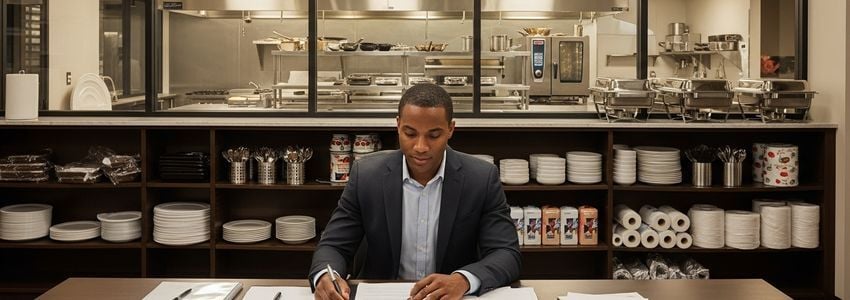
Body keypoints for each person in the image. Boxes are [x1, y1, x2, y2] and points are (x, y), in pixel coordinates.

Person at [309, 83, 521, 300]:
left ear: (451, 129)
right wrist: (327, 276)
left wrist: (463, 280)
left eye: (433, 135)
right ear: (398, 126)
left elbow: (506, 254)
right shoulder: (366, 175)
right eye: (410, 133)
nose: (420, 146)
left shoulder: (481, 178)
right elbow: (334, 245)